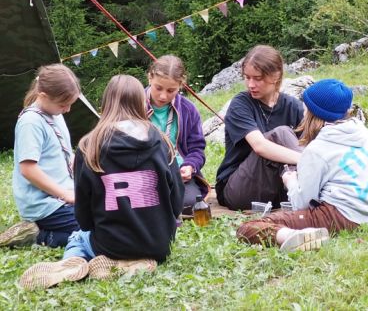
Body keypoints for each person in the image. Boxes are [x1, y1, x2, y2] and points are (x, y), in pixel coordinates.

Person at [19, 74, 184, 290]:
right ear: (142, 102)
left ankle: (74, 260)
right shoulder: (162, 142)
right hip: (159, 244)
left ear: (105, 103)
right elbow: (177, 201)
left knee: (78, 237)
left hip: (109, 244)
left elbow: (84, 218)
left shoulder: (90, 146)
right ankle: (132, 263)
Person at [237, 79, 368, 252]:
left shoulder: (318, 149)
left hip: (338, 216)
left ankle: (293, 236)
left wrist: (291, 181)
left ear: (314, 112)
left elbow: (301, 203)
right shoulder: (367, 136)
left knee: (248, 228)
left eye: (306, 106)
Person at [0, 64, 81, 249]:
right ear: (43, 96)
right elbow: (28, 169)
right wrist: (65, 194)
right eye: (63, 104)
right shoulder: (31, 122)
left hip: (65, 194)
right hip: (45, 204)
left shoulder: (55, 114)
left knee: (106, 215)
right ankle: (37, 236)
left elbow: (63, 152)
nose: (68, 109)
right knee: (94, 230)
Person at [215, 45, 304, 211]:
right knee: (281, 133)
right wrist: (306, 160)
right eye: (247, 77)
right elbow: (260, 146)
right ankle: (305, 194)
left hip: (280, 188)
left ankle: (303, 192)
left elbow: (309, 145)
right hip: (238, 189)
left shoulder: (294, 106)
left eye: (257, 78)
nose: (251, 84)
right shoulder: (240, 104)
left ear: (276, 76)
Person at [146, 55, 208, 213]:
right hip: (145, 174)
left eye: (171, 91)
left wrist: (189, 166)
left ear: (181, 85)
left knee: (189, 204)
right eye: (158, 88)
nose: (163, 96)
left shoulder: (188, 109)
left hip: (177, 174)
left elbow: (197, 149)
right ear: (150, 78)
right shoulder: (134, 104)